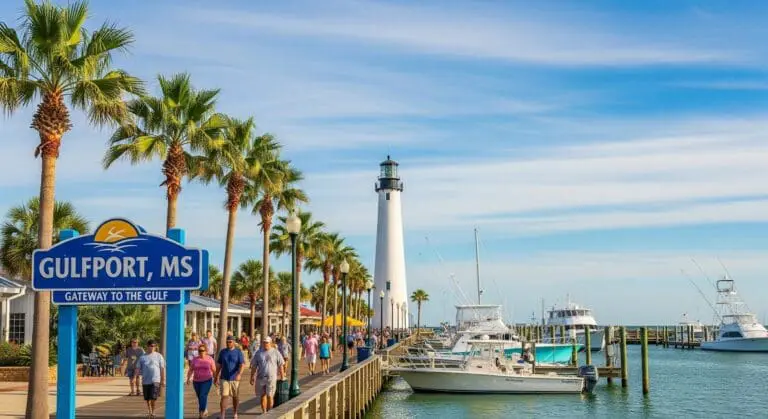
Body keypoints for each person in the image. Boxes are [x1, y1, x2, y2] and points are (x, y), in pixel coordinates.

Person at [249, 336, 285, 414]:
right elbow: (254, 366)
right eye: (264, 342)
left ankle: (270, 412)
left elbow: (281, 364)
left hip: (271, 378)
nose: (265, 344)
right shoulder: (258, 353)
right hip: (260, 378)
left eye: (267, 343)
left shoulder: (275, 352)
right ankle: (264, 412)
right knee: (262, 396)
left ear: (270, 343)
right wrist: (252, 377)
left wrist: (282, 376)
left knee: (270, 395)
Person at [215, 335, 246, 419]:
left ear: (234, 342)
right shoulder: (223, 352)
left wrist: (239, 374)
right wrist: (216, 376)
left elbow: (242, 364)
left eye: (230, 342)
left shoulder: (238, 352)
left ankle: (235, 413)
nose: (228, 343)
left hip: (235, 379)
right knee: (224, 396)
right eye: (227, 342)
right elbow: (219, 365)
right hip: (224, 378)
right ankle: (222, 415)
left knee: (235, 397)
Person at [136, 340, 165, 419]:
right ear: (147, 346)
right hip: (145, 380)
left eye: (154, 346)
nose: (152, 347)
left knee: (153, 397)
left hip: (155, 380)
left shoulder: (159, 356)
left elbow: (162, 368)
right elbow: (138, 367)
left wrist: (163, 380)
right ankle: (150, 411)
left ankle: (153, 412)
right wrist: (136, 376)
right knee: (147, 398)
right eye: (151, 346)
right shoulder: (142, 357)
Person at [186, 344, 216, 418]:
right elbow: (191, 370)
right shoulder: (195, 359)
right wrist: (188, 378)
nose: (201, 352)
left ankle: (201, 413)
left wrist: (216, 379)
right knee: (200, 397)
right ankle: (204, 408)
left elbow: (214, 370)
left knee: (202, 395)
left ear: (206, 351)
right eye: (199, 351)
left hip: (207, 380)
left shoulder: (210, 359)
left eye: (202, 350)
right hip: (196, 381)